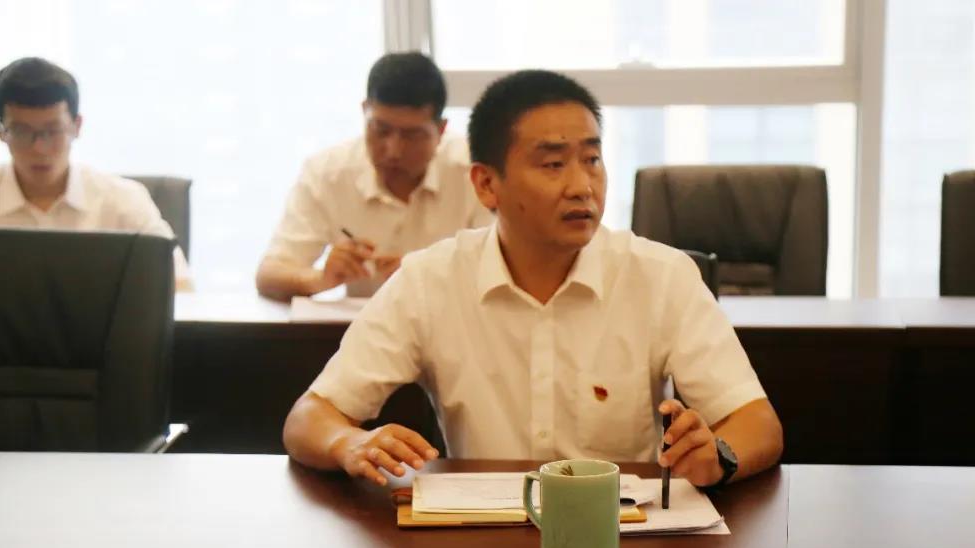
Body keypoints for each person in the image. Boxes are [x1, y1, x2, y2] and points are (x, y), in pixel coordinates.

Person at [283, 70, 783, 491]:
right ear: (486, 184)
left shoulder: (661, 275)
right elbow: (309, 417)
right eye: (553, 164)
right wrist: (350, 442)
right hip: (481, 537)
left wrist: (720, 456)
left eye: (592, 160)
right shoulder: (430, 280)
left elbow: (757, 423)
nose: (582, 186)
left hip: (627, 533)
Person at [256, 52, 490, 301]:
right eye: (381, 130)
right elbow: (269, 274)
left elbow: (505, 271)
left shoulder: (476, 172)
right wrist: (321, 279)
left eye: (412, 135)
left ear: (441, 130)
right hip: (359, 324)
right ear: (364, 112)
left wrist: (427, 276)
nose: (393, 150)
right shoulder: (328, 173)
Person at [0, 57, 192, 291]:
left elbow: (180, 284)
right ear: (2, 132)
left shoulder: (122, 199)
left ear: (76, 126)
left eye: (53, 130)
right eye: (21, 131)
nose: (39, 147)